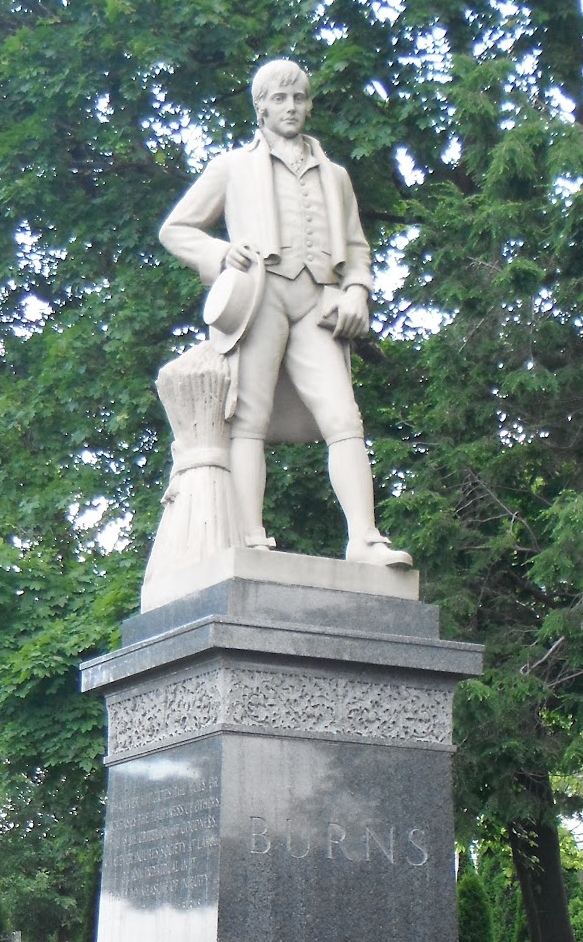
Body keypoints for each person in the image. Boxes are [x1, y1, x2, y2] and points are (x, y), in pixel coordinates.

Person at [159, 58, 411, 567]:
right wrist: (218, 254)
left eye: (298, 98)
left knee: (343, 417)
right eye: (279, 99)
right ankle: (248, 537)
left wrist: (358, 291)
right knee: (247, 417)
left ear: (309, 105)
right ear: (261, 108)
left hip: (319, 302)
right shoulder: (232, 167)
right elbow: (176, 230)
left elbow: (357, 250)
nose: (290, 107)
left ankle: (364, 538)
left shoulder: (336, 176)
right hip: (261, 294)